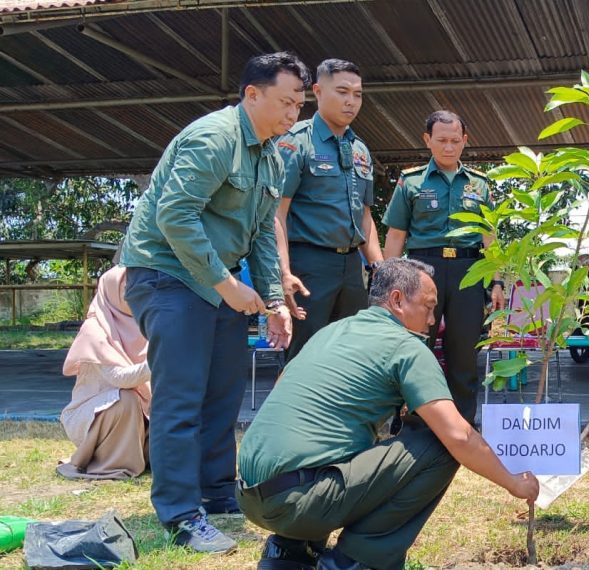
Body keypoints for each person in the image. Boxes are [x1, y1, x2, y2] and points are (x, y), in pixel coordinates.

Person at [120, 52, 308, 554]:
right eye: (285, 101)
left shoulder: (272, 155)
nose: (292, 113)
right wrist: (227, 285)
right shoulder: (214, 138)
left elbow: (263, 234)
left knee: (223, 395)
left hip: (218, 280)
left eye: (298, 105)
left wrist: (274, 300)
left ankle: (218, 494)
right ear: (252, 94)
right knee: (181, 398)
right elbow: (175, 216)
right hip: (168, 274)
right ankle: (181, 514)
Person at [238, 258, 538, 570]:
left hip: (249, 494)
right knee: (439, 445)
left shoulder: (333, 331)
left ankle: (289, 553)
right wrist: (513, 483)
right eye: (428, 307)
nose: (433, 320)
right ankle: (353, 561)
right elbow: (458, 436)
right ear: (397, 300)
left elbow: (283, 385)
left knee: (335, 443)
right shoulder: (407, 347)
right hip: (301, 502)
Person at [381, 110, 505, 422]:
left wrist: (497, 282)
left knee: (464, 351)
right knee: (415, 346)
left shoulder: (480, 185)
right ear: (427, 140)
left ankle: (462, 426)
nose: (448, 147)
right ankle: (413, 423)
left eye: (454, 140)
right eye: (441, 140)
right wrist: (385, 284)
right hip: (422, 270)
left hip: (468, 271)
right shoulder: (411, 182)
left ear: (464, 140)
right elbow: (396, 235)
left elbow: (490, 239)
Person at [274, 58, 383, 361]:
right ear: (318, 91)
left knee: (351, 355)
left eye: (357, 94)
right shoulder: (297, 141)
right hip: (309, 265)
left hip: (351, 267)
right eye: (343, 92)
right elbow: (276, 214)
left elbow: (364, 216)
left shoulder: (359, 149)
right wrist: (283, 272)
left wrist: (379, 267)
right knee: (304, 356)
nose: (351, 102)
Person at [59, 265, 150, 481]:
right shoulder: (94, 329)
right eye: (128, 288)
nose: (135, 294)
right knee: (125, 398)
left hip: (139, 412)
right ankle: (114, 463)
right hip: (92, 416)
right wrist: (161, 362)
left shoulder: (145, 325)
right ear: (111, 291)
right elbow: (119, 379)